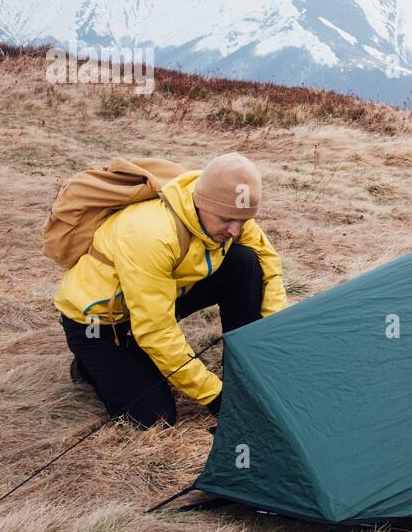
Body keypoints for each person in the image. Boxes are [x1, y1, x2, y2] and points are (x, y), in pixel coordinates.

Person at [54, 152, 287, 427]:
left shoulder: (228, 209)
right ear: (202, 204)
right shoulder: (150, 235)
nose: (236, 230)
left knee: (246, 262)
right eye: (227, 220)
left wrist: (271, 332)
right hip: (102, 323)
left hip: (155, 298)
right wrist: (215, 395)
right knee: (154, 419)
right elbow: (157, 330)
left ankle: (247, 369)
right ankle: (89, 364)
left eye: (244, 220)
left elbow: (268, 262)